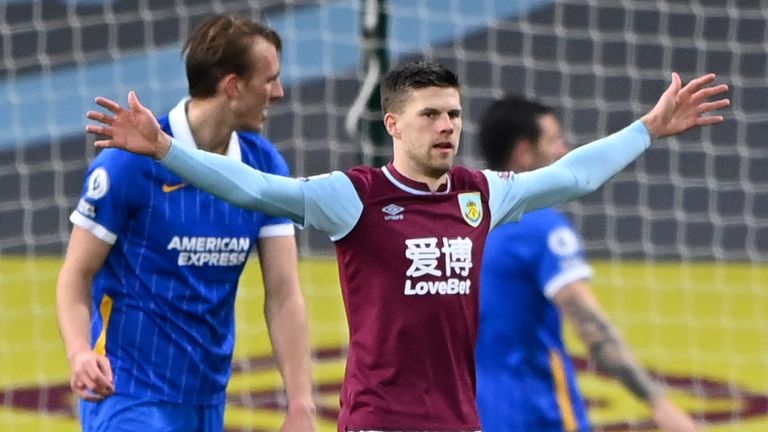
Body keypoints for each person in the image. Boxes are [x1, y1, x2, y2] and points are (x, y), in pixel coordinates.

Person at [83, 61, 728, 431]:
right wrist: (167, 149)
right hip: (378, 422)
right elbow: (253, 190)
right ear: (393, 123)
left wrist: (648, 127)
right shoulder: (353, 196)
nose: (446, 126)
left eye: (452, 114)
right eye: (429, 115)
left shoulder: (480, 194)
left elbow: (573, 176)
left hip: (459, 420)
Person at [56, 15, 316, 432]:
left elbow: (284, 294)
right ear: (233, 85)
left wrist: (301, 404)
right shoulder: (128, 160)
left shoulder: (265, 165)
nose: (279, 92)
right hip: (125, 390)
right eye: (269, 80)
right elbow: (76, 274)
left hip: (205, 397)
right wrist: (79, 354)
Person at [474, 95, 699, 432]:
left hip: (475, 414)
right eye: (555, 141)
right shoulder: (539, 226)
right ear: (524, 152)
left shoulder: (465, 222)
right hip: (539, 414)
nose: (564, 150)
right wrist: (659, 404)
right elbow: (591, 327)